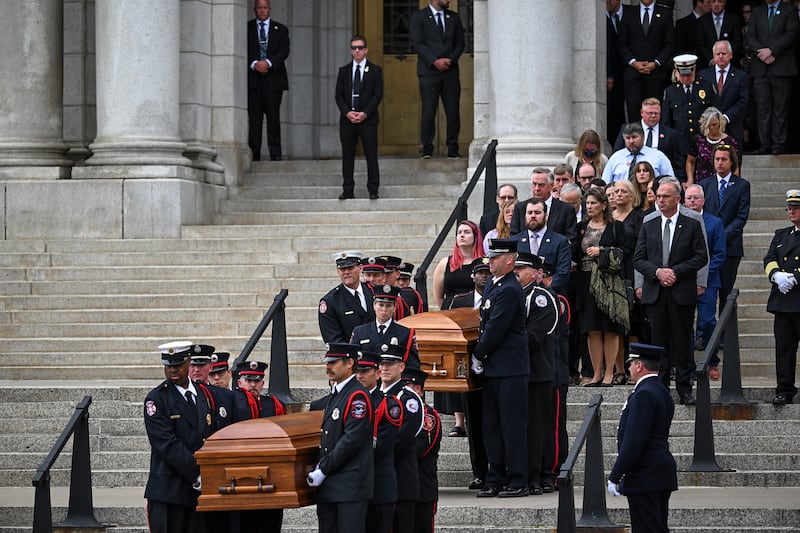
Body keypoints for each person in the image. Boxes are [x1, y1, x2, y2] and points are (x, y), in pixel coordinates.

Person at [634, 178, 708, 405]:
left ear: (678, 199)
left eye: (666, 196)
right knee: (658, 341)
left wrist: (675, 272)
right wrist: (657, 272)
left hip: (681, 289)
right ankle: (661, 386)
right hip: (656, 291)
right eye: (658, 196)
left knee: (683, 340)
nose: (661, 200)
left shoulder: (692, 223)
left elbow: (701, 256)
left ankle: (685, 389)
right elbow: (638, 258)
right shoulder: (649, 222)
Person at [472, 238, 529, 498]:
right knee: (492, 426)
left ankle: (517, 479)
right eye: (489, 257)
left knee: (511, 425)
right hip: (495, 368)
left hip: (509, 369)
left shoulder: (508, 289)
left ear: (510, 259)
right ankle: (495, 477)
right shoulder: (495, 287)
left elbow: (496, 328)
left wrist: (479, 353)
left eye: (495, 258)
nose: (490, 262)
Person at [144, 341, 218, 533]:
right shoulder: (157, 399)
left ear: (188, 362)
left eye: (177, 365)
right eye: (168, 366)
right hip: (170, 491)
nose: (173, 371)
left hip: (199, 492)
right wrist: (198, 472)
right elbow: (167, 444)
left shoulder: (204, 394)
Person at [607, 343, 678, 533]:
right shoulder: (661, 391)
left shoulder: (644, 394)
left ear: (639, 366)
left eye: (631, 364)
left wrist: (615, 475)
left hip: (646, 474)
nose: (628, 369)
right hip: (657, 472)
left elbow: (635, 440)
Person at [306, 343, 373, 533]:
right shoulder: (337, 394)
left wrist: (323, 469)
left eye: (334, 362)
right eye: (327, 362)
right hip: (331, 486)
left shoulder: (357, 396)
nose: (328, 367)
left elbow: (352, 440)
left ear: (350, 362)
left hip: (349, 486)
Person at [573, 188, 630, 387]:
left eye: (593, 203)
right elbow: (574, 253)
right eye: (587, 203)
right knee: (592, 329)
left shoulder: (616, 227)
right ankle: (596, 373)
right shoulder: (580, 227)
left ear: (604, 205)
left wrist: (602, 251)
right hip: (586, 282)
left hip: (609, 284)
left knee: (611, 329)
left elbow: (626, 252)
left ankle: (610, 373)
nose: (589, 207)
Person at [514, 252, 558, 495]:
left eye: (521, 268)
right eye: (516, 267)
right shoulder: (515, 294)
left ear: (535, 272)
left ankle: (540, 474)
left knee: (539, 427)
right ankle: (527, 472)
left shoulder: (540, 297)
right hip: (518, 372)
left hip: (537, 372)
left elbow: (534, 336)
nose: (516, 272)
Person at [447, 257, 490, 490]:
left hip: (493, 369)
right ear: (472, 276)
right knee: (473, 424)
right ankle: (479, 472)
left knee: (493, 423)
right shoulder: (459, 300)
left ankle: (496, 470)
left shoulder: (499, 295)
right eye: (479, 272)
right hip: (467, 371)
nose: (483, 276)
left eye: (486, 272)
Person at [231, 360, 285, 533]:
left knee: (269, 522)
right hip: (242, 473)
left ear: (263, 383)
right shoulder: (233, 402)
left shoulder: (274, 405)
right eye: (248, 381)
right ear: (239, 382)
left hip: (270, 472)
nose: (253, 385)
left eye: (257, 381)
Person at [377, 343, 424, 533]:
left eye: (391, 364)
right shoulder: (374, 395)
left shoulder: (409, 399)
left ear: (402, 367)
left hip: (401, 480)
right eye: (382, 364)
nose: (385, 368)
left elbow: (402, 439)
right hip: (378, 482)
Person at [410, 0, 465, 159]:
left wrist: (450, 60)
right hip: (429, 72)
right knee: (428, 111)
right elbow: (418, 43)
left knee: (453, 111)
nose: (449, 0)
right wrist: (434, 61)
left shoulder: (454, 17)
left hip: (450, 71)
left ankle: (453, 148)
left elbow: (460, 43)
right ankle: (427, 148)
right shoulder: (419, 17)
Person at [700, 144, 750, 315]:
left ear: (731, 162)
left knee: (726, 292)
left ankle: (725, 335)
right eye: (717, 159)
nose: (720, 163)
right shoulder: (705, 184)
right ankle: (706, 332)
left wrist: (721, 236)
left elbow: (741, 217)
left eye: (724, 159)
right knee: (706, 292)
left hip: (731, 248)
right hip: (707, 248)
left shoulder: (742, 185)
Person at [355, 350, 401, 533]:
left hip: (379, 486)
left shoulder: (387, 404)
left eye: (365, 371)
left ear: (377, 373)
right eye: (357, 371)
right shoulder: (349, 400)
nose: (360, 376)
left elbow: (382, 444)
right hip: (356, 487)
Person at [746, 0, 799, 155]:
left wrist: (772, 51)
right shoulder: (757, 11)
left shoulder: (789, 10)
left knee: (780, 108)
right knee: (762, 109)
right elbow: (751, 35)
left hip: (781, 67)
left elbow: (791, 34)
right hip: (760, 68)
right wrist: (762, 52)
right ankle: (764, 144)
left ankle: (778, 144)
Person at [684, 185, 727, 374]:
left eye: (695, 198)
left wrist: (703, 275)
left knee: (708, 321)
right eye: (689, 198)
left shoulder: (715, 223)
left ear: (703, 200)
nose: (692, 201)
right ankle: (689, 365)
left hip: (709, 282)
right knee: (685, 323)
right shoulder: (680, 221)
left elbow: (719, 253)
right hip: (684, 281)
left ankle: (712, 361)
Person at [335, 35, 383, 201]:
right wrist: (347, 112)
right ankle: (348, 189)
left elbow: (378, 95)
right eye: (354, 48)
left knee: (371, 154)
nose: (357, 51)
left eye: (360, 48)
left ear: (366, 49)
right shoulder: (344, 71)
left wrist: (365, 113)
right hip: (348, 120)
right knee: (348, 156)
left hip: (368, 120)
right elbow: (338, 96)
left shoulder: (375, 70)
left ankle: (373, 189)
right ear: (350, 50)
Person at [764, 189, 800, 405]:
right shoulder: (782, 234)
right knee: (784, 349)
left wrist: (795, 277)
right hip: (783, 301)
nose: (791, 211)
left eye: (795, 208)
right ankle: (784, 390)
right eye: (790, 208)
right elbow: (769, 258)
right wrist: (776, 275)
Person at [661, 54, 718, 183]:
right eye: (682, 75)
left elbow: (715, 112)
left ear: (694, 70)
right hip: (680, 143)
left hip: (703, 141)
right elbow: (666, 120)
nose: (685, 78)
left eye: (688, 74)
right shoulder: (670, 91)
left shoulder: (706, 87)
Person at [617, 0, 675, 121]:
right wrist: (633, 62)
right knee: (633, 112)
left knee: (654, 112)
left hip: (656, 74)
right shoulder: (629, 13)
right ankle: (635, 138)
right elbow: (622, 42)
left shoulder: (665, 13)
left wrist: (656, 63)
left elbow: (670, 44)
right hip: (633, 73)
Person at [247, 0, 290, 162]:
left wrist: (268, 63)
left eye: (265, 8)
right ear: (255, 9)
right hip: (254, 81)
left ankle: (275, 153)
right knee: (255, 119)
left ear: (269, 9)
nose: (262, 11)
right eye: (259, 8)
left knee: (273, 118)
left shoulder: (281, 29)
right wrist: (254, 64)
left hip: (274, 80)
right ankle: (254, 154)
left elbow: (284, 51)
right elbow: (241, 49)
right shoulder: (247, 28)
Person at [613, 179, 646, 377]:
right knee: (615, 326)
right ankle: (618, 370)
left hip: (632, 272)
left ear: (632, 195)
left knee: (634, 324)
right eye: (616, 191)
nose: (618, 194)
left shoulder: (638, 217)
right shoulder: (608, 217)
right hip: (612, 275)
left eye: (623, 191)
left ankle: (635, 369)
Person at [403, 367, 441, 533]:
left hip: (422, 489)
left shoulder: (428, 417)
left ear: (417, 389)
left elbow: (420, 448)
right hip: (402, 488)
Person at [697, 40, 749, 159]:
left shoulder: (740, 76)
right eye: (717, 54)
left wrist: (725, 118)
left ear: (730, 55)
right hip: (709, 129)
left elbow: (743, 101)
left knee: (734, 166)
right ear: (713, 55)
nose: (720, 56)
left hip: (733, 127)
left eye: (724, 53)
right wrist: (712, 118)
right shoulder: (703, 75)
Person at [512, 199, 572, 296]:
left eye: (537, 212)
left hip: (551, 294)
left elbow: (563, 273)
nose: (533, 216)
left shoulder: (560, 241)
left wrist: (542, 288)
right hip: (520, 295)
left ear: (546, 215)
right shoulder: (514, 241)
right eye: (529, 213)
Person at [319, 251, 375, 345]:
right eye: (342, 269)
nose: (346, 272)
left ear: (360, 268)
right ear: (338, 271)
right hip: (351, 356)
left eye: (351, 268)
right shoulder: (331, 301)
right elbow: (333, 339)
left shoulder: (373, 291)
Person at [510, 168, 578, 243]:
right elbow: (514, 237)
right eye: (534, 184)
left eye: (541, 185)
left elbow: (571, 240)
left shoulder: (566, 210)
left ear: (552, 186)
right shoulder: (520, 208)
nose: (536, 188)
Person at [612, 98, 682, 170]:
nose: (653, 116)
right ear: (642, 112)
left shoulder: (670, 134)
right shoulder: (627, 129)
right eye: (650, 113)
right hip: (633, 172)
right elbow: (617, 153)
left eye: (656, 113)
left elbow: (678, 161)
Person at [433, 220, 484, 309]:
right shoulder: (445, 263)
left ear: (476, 237)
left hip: (476, 311)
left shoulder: (484, 262)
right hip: (451, 312)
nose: (462, 235)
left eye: (467, 232)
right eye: (459, 232)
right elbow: (438, 297)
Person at [603, 123, 675, 184]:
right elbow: (605, 183)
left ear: (643, 138)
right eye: (628, 138)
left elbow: (670, 182)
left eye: (634, 137)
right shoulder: (615, 158)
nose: (631, 141)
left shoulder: (658, 156)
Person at [686, 106, 739, 185]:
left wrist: (734, 183)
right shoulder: (698, 140)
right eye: (709, 125)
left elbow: (735, 166)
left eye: (714, 124)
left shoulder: (730, 141)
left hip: (723, 183)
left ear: (720, 123)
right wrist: (690, 179)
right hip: (702, 183)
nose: (712, 127)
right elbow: (690, 161)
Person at [606, 0, 631, 145]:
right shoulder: (605, 18)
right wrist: (609, 74)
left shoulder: (631, 13)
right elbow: (608, 49)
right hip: (614, 77)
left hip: (635, 72)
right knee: (616, 112)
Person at [697, 0, 743, 68]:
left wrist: (726, 58)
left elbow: (737, 42)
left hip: (731, 64)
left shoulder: (734, 19)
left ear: (725, 2)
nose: (716, 4)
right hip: (709, 65)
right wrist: (711, 60)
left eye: (720, 1)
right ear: (709, 3)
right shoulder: (702, 21)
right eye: (713, 1)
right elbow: (701, 44)